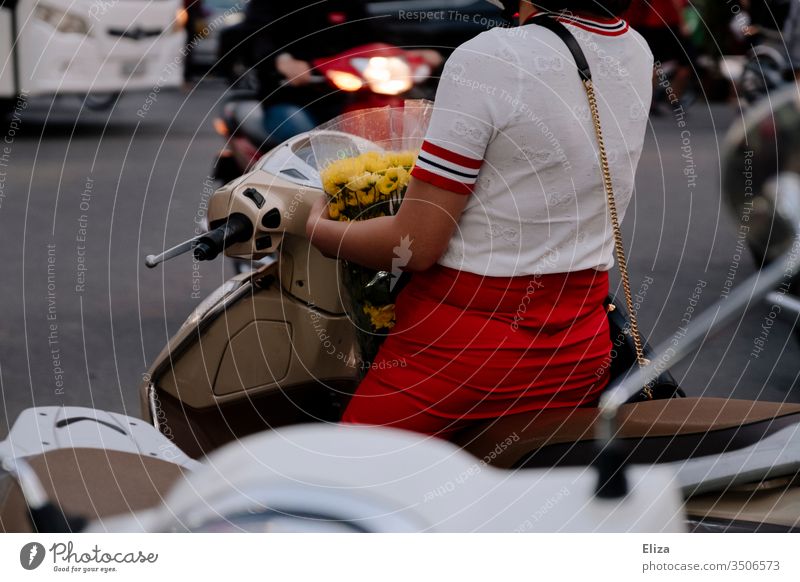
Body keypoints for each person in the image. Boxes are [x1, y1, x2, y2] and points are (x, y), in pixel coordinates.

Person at [306, 0, 653, 437]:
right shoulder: (635, 50)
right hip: (579, 350)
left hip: (458, 356)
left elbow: (414, 244)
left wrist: (318, 229)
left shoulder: (492, 57)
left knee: (337, 488)